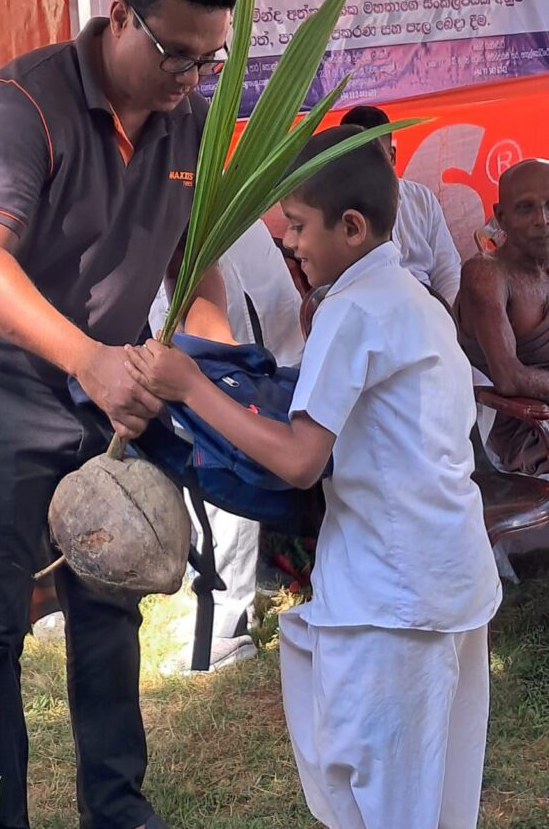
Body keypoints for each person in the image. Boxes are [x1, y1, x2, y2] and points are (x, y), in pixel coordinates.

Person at [0, 0, 238, 829]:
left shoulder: (192, 117)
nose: (189, 77)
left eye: (209, 61)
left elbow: (197, 264)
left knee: (110, 594)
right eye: (175, 52)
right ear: (120, 15)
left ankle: (117, 806)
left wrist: (204, 369)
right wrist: (90, 361)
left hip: (109, 375)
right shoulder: (26, 102)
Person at [126, 126, 501, 829]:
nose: (287, 241)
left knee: (381, 783)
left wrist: (190, 388)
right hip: (446, 574)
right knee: (437, 782)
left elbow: (300, 458)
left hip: (393, 598)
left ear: (352, 227)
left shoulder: (354, 309)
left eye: (296, 225)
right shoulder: (411, 300)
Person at [149, 219, 304, 671]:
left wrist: (206, 394)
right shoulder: (184, 197)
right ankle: (217, 606)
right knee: (210, 476)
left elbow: (211, 331)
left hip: (241, 365)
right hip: (249, 359)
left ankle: (223, 630)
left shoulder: (191, 210)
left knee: (220, 473)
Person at [457, 158, 549, 477]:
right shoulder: (485, 273)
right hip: (514, 430)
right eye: (526, 209)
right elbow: (509, 378)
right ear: (500, 216)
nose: (543, 220)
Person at [341, 104, 461, 304]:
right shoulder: (335, 210)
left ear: (392, 156)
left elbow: (448, 271)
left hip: (430, 309)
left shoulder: (421, 199)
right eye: (355, 159)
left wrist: (447, 319)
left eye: (375, 158)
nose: (366, 169)